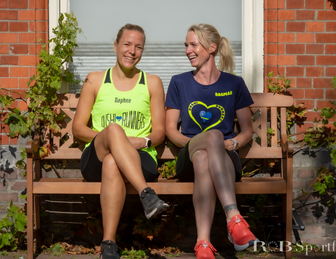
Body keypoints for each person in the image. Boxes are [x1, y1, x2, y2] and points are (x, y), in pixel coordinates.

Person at [72, 24, 168, 259]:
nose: (132, 51)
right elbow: (77, 127)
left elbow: (159, 132)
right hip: (95, 157)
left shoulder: (152, 82)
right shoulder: (95, 81)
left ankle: (108, 245)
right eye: (127, 44)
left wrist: (143, 141)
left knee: (114, 161)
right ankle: (147, 194)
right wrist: (113, 138)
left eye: (138, 47)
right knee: (114, 130)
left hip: (140, 158)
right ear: (115, 46)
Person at [165, 23, 258, 259]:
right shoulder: (179, 82)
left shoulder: (234, 84)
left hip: (225, 160)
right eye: (186, 45)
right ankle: (234, 218)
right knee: (212, 137)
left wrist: (233, 143)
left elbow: (247, 130)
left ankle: (203, 244)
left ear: (212, 48)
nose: (188, 50)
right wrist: (201, 141)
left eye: (193, 45)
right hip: (189, 154)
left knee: (208, 152)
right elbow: (170, 130)